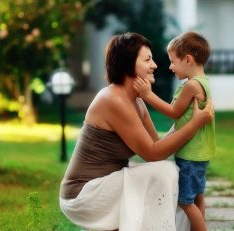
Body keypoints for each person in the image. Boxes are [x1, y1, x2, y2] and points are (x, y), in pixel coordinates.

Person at [59, 32, 214, 231]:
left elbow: (157, 146)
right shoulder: (113, 99)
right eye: (147, 59)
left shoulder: (137, 101)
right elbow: (152, 152)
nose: (155, 65)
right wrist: (194, 125)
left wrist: (185, 123)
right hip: (84, 194)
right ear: (127, 65)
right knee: (165, 172)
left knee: (174, 173)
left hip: (107, 183)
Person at [133, 31, 216, 231]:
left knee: (185, 201)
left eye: (172, 62)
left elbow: (173, 112)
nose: (170, 67)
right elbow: (183, 117)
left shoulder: (191, 86)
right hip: (201, 153)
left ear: (187, 59)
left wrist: (147, 95)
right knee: (197, 196)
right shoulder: (204, 82)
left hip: (190, 154)